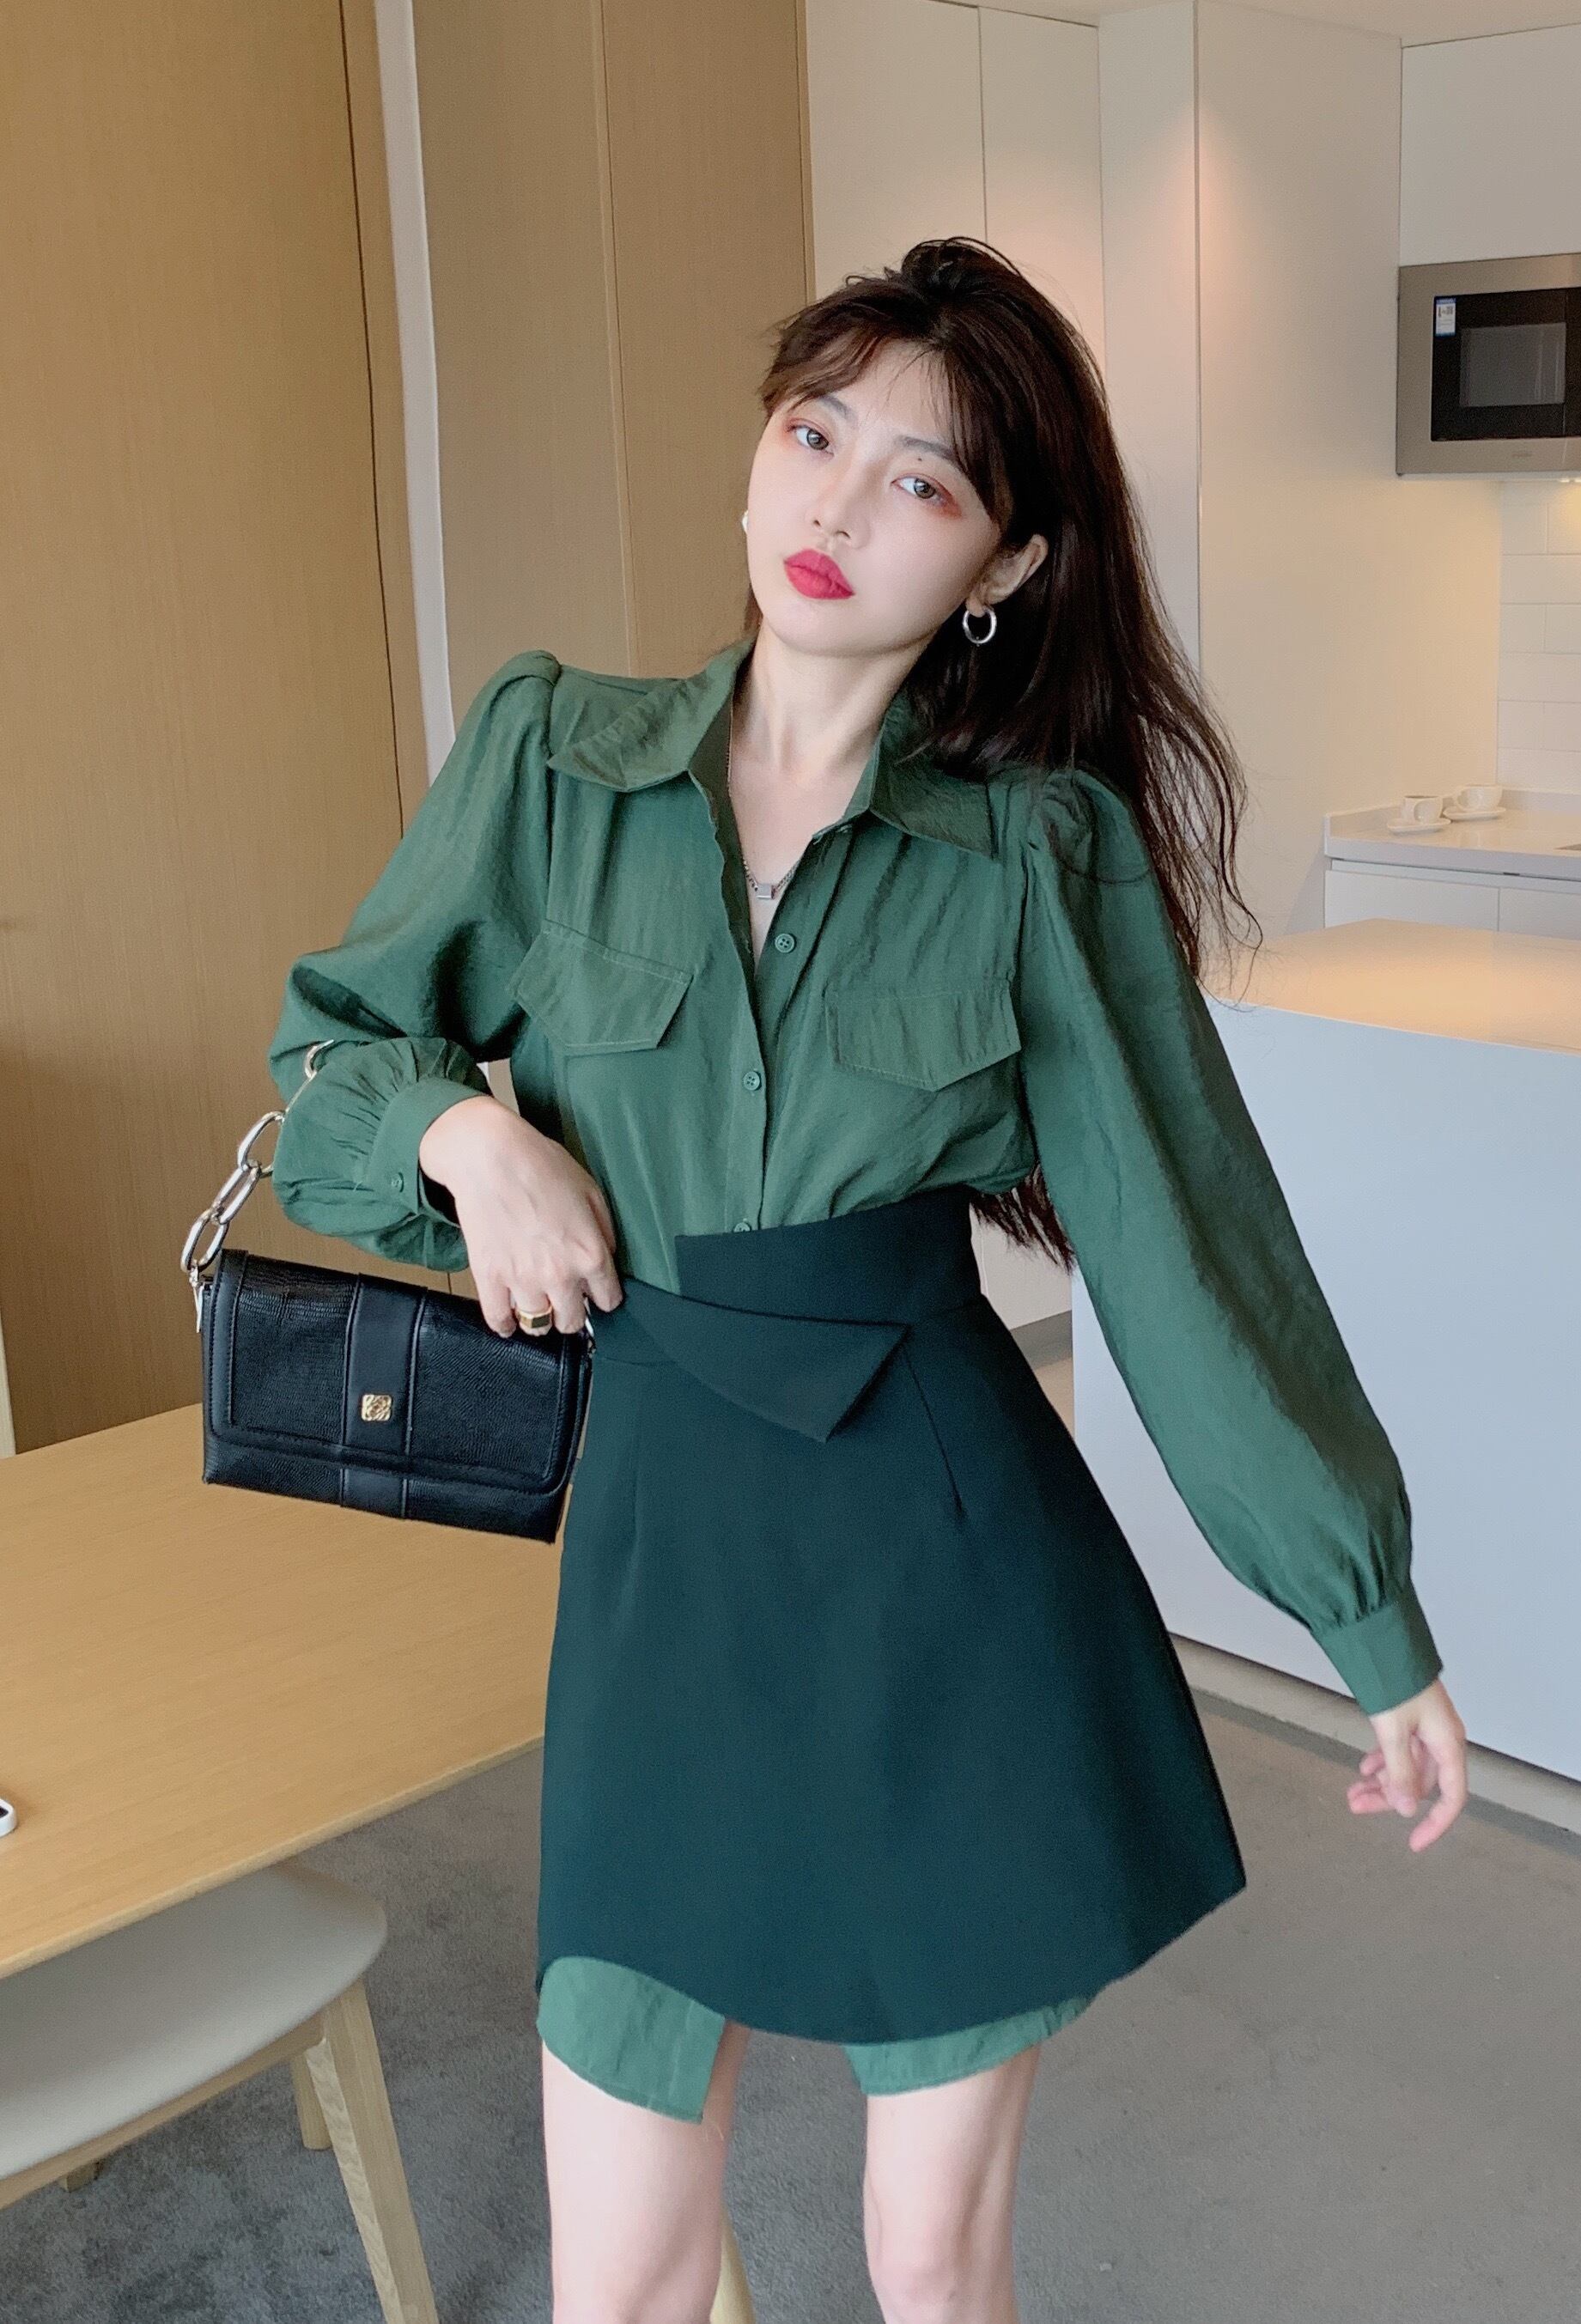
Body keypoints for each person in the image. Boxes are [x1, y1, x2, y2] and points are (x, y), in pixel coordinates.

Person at [265, 236, 1469, 2324]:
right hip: (663, 1568)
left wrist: (1365, 1614)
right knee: (620, 2276)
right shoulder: (551, 762)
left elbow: (1189, 1246)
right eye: (816, 435)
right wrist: (470, 1139)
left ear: (1003, 560)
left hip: (944, 1568)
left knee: (929, 2253)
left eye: (922, 480)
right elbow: (326, 1065)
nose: (839, 504)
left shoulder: (1039, 854)